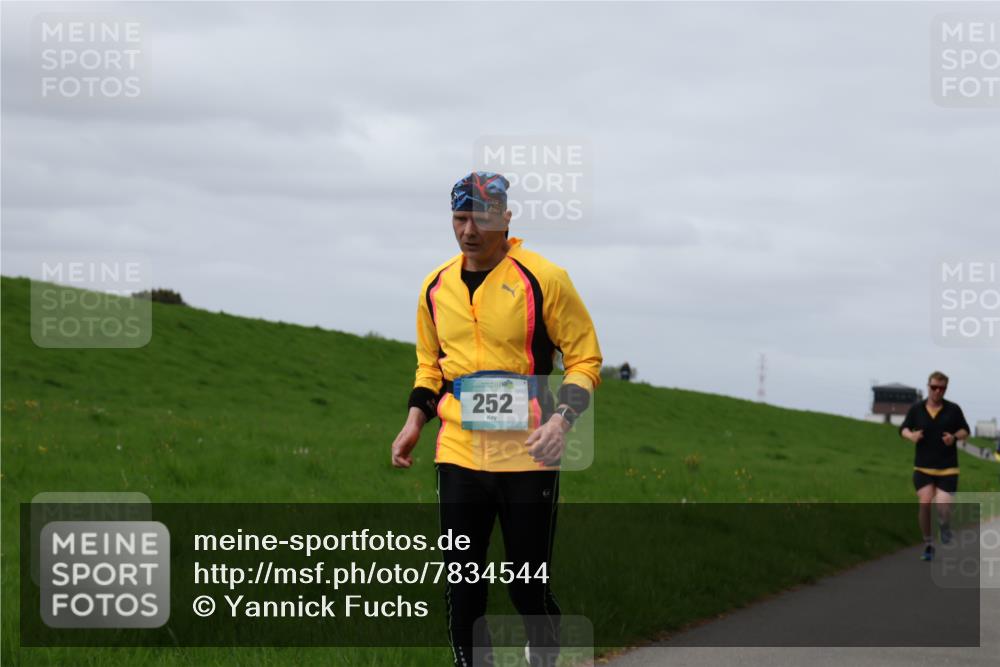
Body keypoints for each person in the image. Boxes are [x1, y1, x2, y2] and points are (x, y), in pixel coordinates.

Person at [390, 171, 602, 667]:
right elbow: (430, 365)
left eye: (482, 218)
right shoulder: (434, 287)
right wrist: (414, 422)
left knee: (527, 586)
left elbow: (585, 358)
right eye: (460, 218)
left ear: (505, 218)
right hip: (459, 452)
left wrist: (563, 420)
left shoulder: (544, 279)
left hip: (529, 455)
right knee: (463, 584)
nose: (469, 230)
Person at [899, 371, 971, 561]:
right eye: (934, 387)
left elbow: (965, 430)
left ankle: (945, 527)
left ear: (946, 389)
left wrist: (954, 437)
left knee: (943, 506)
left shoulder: (953, 409)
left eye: (941, 388)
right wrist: (911, 436)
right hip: (923, 468)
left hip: (948, 468)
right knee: (925, 501)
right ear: (928, 386)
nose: (937, 391)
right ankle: (929, 544)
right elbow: (903, 428)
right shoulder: (917, 409)